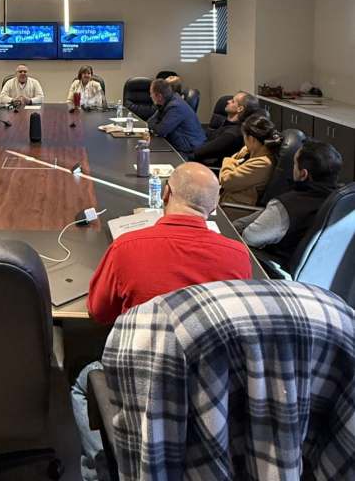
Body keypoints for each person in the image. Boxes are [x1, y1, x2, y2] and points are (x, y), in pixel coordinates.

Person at [73, 162, 253, 481]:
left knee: (84, 381)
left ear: (166, 194)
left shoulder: (126, 247)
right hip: (213, 387)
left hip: (142, 380)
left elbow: (97, 313)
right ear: (214, 206)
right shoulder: (238, 255)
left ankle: (100, 469)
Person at [103, 280, 355, 480]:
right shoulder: (342, 315)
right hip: (302, 448)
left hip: (196, 377)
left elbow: (98, 308)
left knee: (84, 382)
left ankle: (94, 470)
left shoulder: (151, 325)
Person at [234, 140, 342, 270]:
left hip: (277, 269)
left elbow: (250, 238)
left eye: (294, 164)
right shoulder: (342, 199)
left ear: (303, 174)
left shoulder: (287, 205)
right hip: (322, 270)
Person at [219, 113, 280, 205]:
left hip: (234, 208)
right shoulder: (254, 152)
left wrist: (228, 160)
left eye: (244, 137)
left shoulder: (263, 163)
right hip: (227, 200)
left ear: (251, 139)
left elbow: (226, 181)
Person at [192, 92, 261, 166]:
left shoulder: (231, 134)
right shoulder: (227, 124)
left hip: (207, 168)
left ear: (240, 109)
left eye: (233, 101)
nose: (228, 101)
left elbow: (199, 153)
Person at [147, 79, 206, 158]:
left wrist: (154, 125)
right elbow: (150, 122)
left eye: (151, 93)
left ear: (159, 96)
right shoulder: (169, 100)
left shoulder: (175, 106)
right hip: (181, 142)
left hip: (190, 148)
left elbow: (161, 131)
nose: (150, 96)